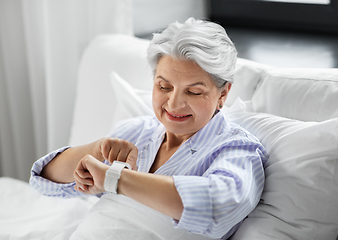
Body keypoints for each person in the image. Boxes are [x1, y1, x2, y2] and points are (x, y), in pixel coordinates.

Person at [30, 18, 267, 239]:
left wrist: (115, 179)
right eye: (164, 87)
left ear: (223, 94)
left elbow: (217, 206)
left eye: (194, 92)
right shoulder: (137, 132)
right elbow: (45, 179)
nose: (174, 104)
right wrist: (97, 149)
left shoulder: (237, 149)